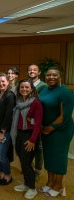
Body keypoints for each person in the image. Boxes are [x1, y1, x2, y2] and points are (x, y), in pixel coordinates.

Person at [39, 67, 74, 197]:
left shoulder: (65, 92)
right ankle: (49, 182)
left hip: (61, 130)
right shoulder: (43, 89)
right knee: (49, 156)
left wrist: (50, 128)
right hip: (46, 129)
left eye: (54, 75)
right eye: (48, 75)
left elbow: (64, 115)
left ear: (60, 77)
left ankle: (59, 185)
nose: (51, 77)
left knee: (58, 157)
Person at [11, 79, 42, 199]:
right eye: (22, 87)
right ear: (19, 89)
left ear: (32, 89)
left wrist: (33, 140)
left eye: (27, 87)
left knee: (27, 163)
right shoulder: (18, 102)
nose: (24, 89)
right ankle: (26, 184)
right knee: (22, 161)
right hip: (18, 134)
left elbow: (38, 124)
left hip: (29, 136)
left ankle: (32, 188)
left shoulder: (36, 103)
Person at [0, 73, 15, 186]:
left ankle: (8, 175)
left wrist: (2, 132)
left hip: (3, 129)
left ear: (8, 82)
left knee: (0, 154)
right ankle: (2, 173)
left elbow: (8, 115)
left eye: (3, 81)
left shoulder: (10, 96)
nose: (1, 83)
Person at [27, 64, 46, 178]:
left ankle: (38, 169)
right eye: (30, 70)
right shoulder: (26, 84)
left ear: (39, 72)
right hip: (27, 119)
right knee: (28, 142)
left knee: (38, 146)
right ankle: (29, 166)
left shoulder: (43, 86)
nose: (32, 71)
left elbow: (42, 102)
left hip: (37, 119)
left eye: (34, 70)